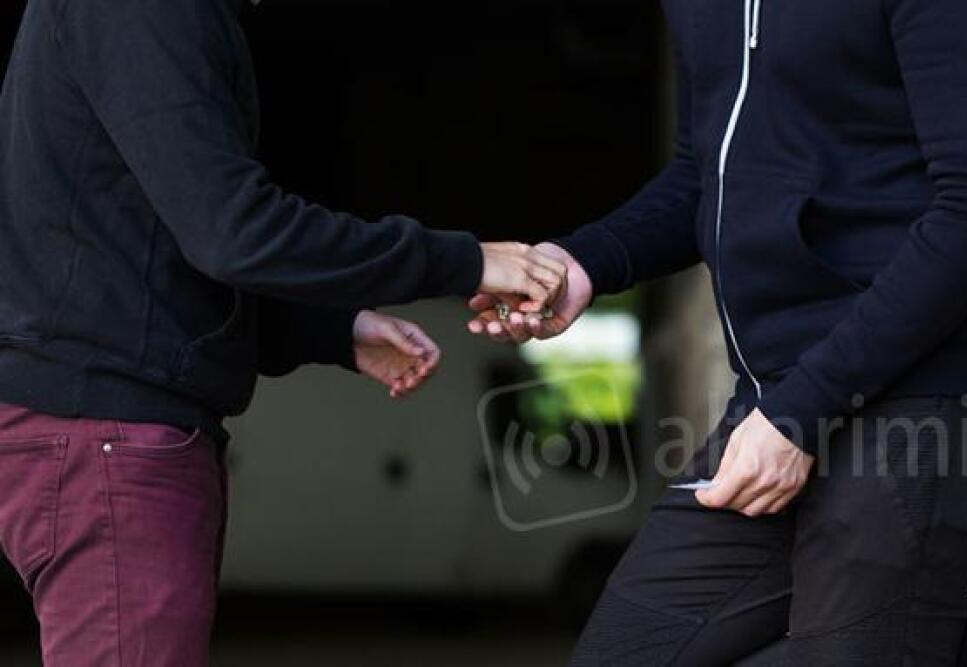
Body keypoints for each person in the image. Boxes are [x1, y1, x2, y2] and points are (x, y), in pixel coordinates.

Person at [468, 0, 967, 664]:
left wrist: (800, 412)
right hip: (773, 404)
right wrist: (583, 262)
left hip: (926, 395)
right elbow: (706, 170)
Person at [0, 0, 564, 664]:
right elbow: (231, 231)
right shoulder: (140, 10)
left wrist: (330, 329)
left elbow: (145, 250)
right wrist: (467, 259)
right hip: (109, 439)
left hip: (107, 433)